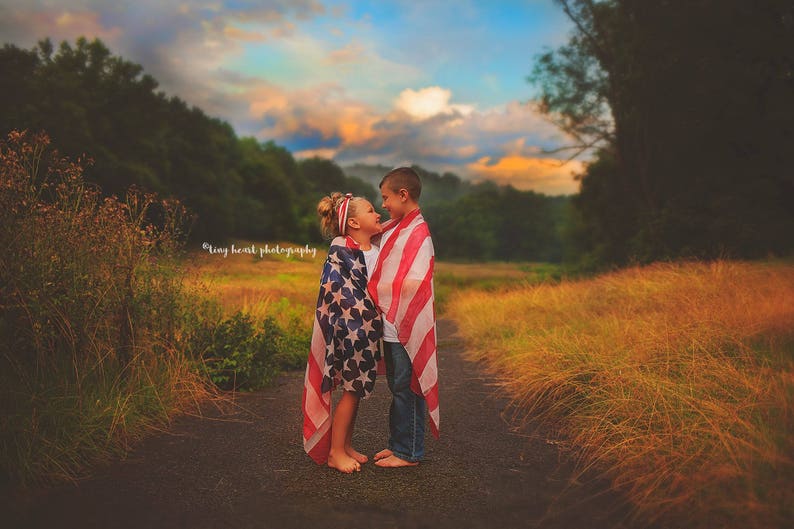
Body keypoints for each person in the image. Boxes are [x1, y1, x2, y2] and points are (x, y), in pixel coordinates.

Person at [302, 192, 383, 473]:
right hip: (350, 331)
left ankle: (346, 445)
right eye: (371, 211)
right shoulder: (341, 250)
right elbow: (336, 292)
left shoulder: (376, 249)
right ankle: (335, 452)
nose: (378, 214)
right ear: (353, 222)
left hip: (367, 331)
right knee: (350, 391)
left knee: (356, 390)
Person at [368, 167, 440, 468]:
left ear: (403, 195)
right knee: (397, 387)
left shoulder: (417, 232)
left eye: (386, 198)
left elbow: (417, 282)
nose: (383, 204)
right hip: (391, 325)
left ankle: (408, 453)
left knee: (408, 387)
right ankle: (397, 445)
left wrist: (385, 291)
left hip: (405, 326)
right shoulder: (396, 228)